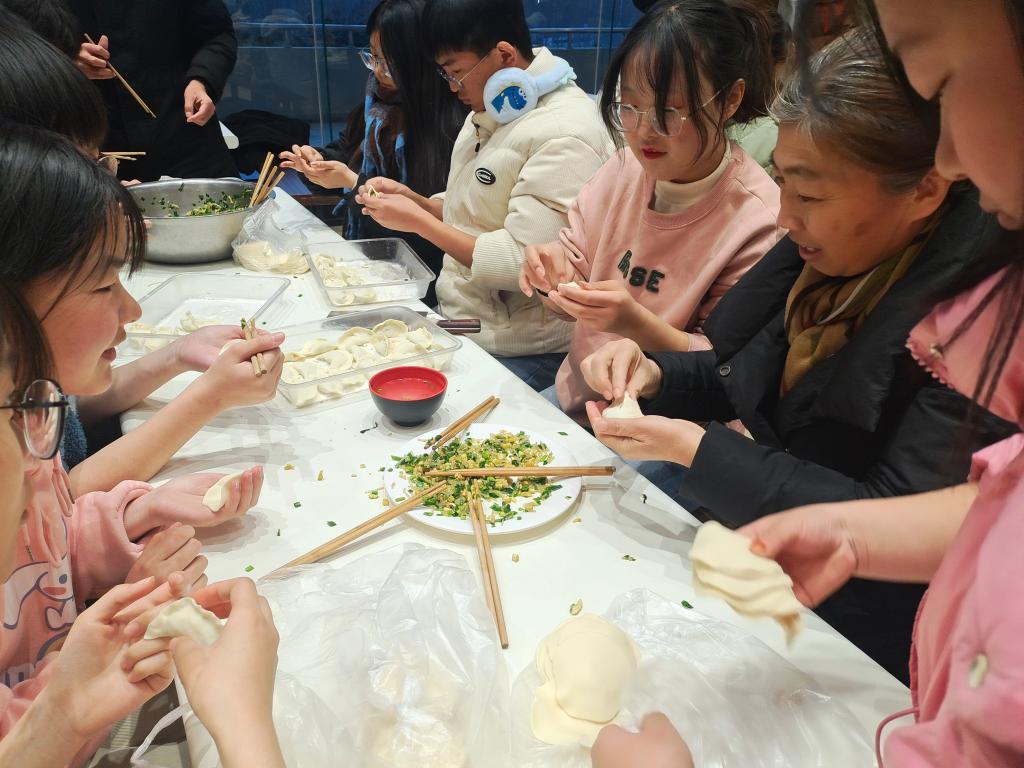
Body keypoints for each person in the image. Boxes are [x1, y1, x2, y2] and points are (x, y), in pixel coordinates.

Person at [593, 0, 1024, 764]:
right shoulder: (820, 251)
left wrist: (697, 450)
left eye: (946, 85)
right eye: (784, 184)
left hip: (858, 644)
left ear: (925, 190)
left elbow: (906, 515)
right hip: (795, 581)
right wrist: (654, 373)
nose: (785, 216)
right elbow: (739, 373)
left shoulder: (972, 324)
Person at [0, 17, 286, 493]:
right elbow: (55, 509)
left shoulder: (29, 373)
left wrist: (175, 356)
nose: (104, 177)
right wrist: (207, 398)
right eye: (85, 164)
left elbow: (68, 414)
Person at [520, 0, 782, 422]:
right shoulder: (624, 167)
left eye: (668, 112)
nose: (644, 131)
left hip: (669, 429)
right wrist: (552, 276)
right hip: (580, 400)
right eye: (629, 107)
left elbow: (724, 370)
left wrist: (634, 322)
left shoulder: (759, 220)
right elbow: (571, 280)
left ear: (730, 99)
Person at [356, 0, 615, 391]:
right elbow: (474, 208)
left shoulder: (566, 133)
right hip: (468, 320)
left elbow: (524, 265)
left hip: (523, 348)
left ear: (504, 54)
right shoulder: (497, 106)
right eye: (445, 74)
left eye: (456, 72)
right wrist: (419, 202)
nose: (452, 87)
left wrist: (420, 223)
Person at [279, 0, 467, 306]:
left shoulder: (451, 122)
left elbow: (431, 214)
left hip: (424, 280)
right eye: (373, 57)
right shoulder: (375, 104)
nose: (378, 71)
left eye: (388, 62)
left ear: (420, 60)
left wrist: (352, 182)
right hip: (365, 259)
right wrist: (317, 162)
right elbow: (346, 152)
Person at [67, 0, 239, 181]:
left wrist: (202, 80)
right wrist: (67, 60)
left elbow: (217, 35)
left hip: (185, 136)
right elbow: (45, 46)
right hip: (95, 150)